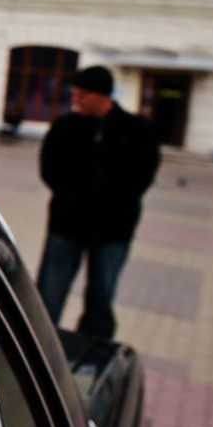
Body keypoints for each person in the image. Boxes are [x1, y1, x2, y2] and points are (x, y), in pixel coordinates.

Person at [36, 66, 160, 339]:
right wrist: (71, 197)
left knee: (101, 296)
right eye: (75, 95)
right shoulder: (65, 128)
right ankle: (40, 344)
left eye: (82, 95)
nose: (76, 100)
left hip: (113, 231)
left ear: (102, 95)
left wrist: (117, 204)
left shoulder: (137, 131)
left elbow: (144, 175)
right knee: (49, 293)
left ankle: (95, 349)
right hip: (66, 226)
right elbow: (49, 170)